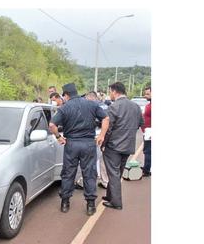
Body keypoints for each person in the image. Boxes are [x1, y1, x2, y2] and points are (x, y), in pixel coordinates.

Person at [49, 83, 108, 216]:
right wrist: (102, 135)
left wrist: (59, 137)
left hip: (72, 144)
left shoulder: (65, 108)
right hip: (88, 144)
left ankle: (65, 203)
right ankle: (91, 205)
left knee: (68, 173)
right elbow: (105, 118)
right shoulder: (91, 104)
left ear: (66, 95)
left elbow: (52, 124)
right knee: (89, 173)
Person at [99, 82, 144, 210]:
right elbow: (140, 123)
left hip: (114, 145)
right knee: (117, 172)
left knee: (112, 173)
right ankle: (110, 196)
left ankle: (116, 202)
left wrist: (104, 143)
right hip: (128, 145)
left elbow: (108, 128)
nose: (110, 95)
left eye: (110, 92)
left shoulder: (114, 107)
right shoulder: (135, 106)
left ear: (114, 91)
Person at [142, 86, 151, 177]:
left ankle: (147, 170)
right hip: (147, 131)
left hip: (150, 131)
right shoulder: (149, 105)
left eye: (148, 94)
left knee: (148, 151)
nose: (145, 96)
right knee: (147, 150)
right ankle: (146, 167)